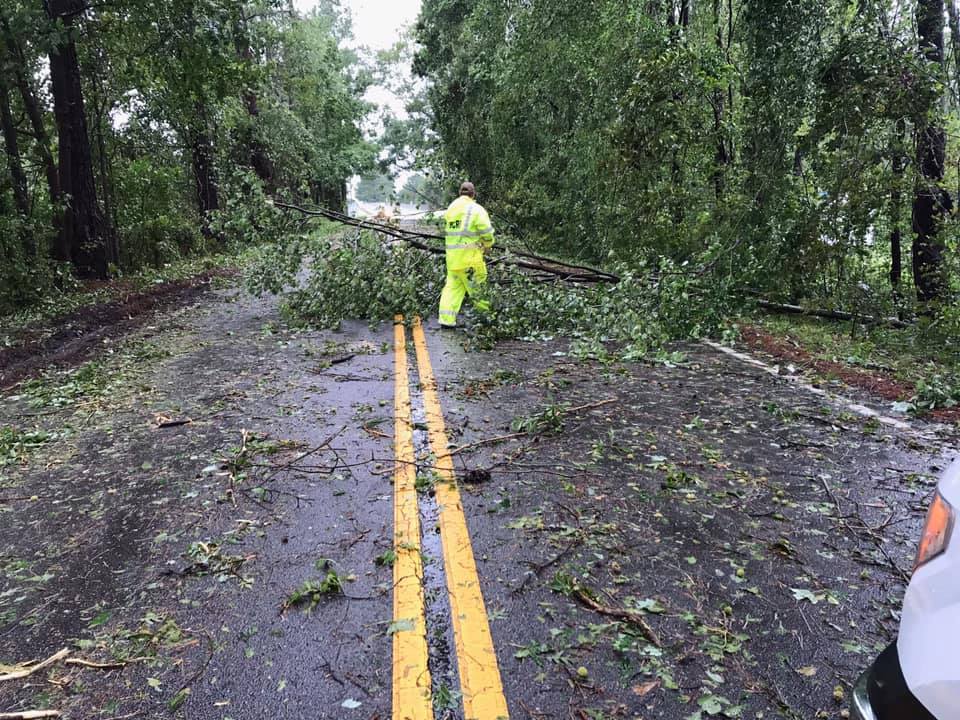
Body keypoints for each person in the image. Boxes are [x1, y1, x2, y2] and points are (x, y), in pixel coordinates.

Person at [438, 182, 495, 328]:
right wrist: (488, 245)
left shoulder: (451, 209)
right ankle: (488, 319)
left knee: (452, 288)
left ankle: (446, 320)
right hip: (471, 259)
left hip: (453, 259)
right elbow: (487, 232)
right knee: (479, 289)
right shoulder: (476, 209)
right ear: (473, 194)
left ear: (459, 193)